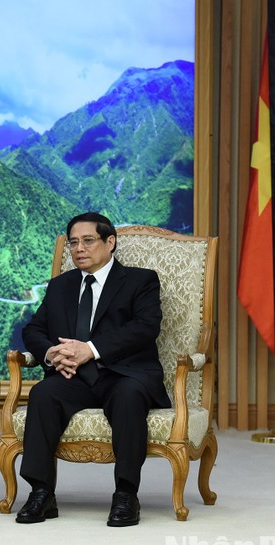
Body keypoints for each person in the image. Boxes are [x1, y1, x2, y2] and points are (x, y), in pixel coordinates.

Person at [17, 212, 170, 527]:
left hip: (123, 373)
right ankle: (42, 492)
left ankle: (126, 495)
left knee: (128, 397)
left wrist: (91, 349)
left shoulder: (141, 280)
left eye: (88, 240)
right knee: (43, 394)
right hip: (73, 377)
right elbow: (34, 329)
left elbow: (145, 328)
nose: (78, 249)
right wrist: (51, 353)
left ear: (110, 242)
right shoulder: (61, 286)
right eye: (73, 242)